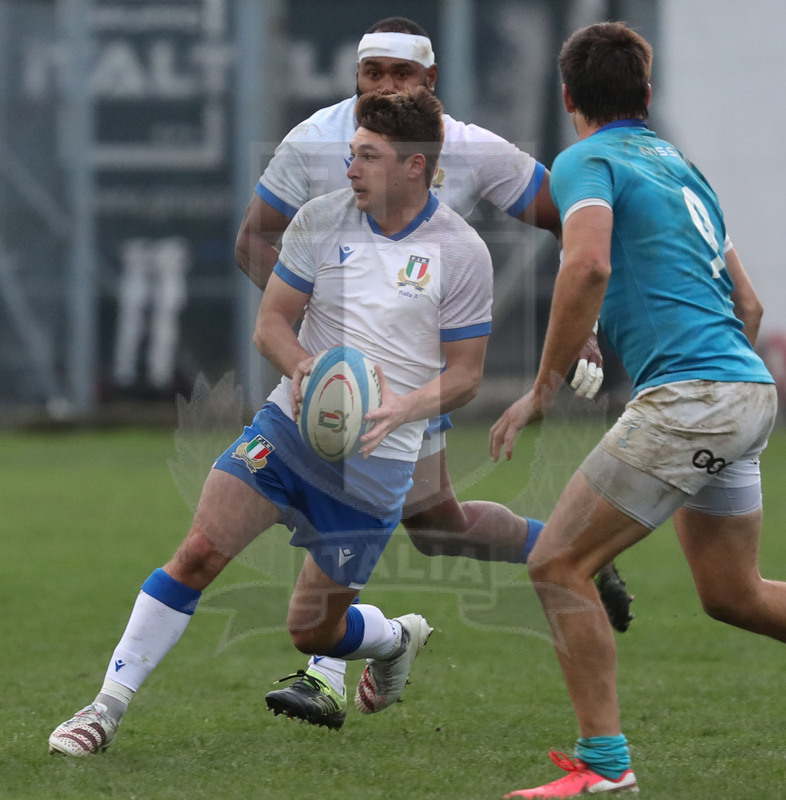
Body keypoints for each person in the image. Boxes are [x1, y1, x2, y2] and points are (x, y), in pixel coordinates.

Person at [48, 88, 492, 756]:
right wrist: (304, 366)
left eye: (367, 157)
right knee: (198, 552)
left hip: (376, 461)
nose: (350, 169)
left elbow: (465, 373)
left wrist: (402, 407)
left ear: (413, 166)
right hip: (287, 431)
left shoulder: (460, 252)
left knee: (312, 633)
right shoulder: (322, 219)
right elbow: (271, 323)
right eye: (351, 154)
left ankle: (395, 638)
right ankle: (103, 710)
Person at [236, 16, 632, 730]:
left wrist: (588, 327)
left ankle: (325, 676)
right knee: (437, 526)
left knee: (361, 503)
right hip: (344, 373)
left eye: (401, 74)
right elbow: (253, 238)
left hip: (422, 377)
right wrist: (319, 326)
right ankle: (570, 550)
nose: (384, 85)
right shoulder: (317, 142)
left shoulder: (472, 149)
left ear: (432, 82)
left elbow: (572, 222)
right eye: (372, 72)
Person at [489, 21, 779, 798]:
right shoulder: (683, 167)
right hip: (746, 388)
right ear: (646, 97)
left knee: (557, 562)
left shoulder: (586, 158)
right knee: (734, 595)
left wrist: (544, 384)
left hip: (695, 397)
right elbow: (745, 304)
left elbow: (587, 261)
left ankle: (604, 767)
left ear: (567, 98)